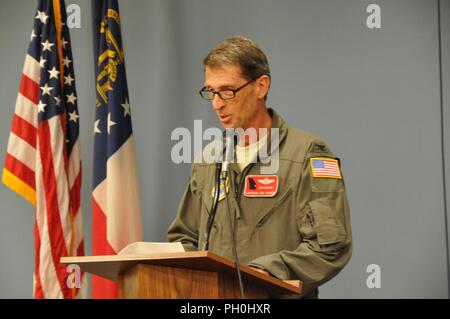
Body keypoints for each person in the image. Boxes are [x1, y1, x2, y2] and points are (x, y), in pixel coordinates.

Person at [167, 35, 352, 298]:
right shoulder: (208, 160)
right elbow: (184, 237)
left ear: (261, 86)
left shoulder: (308, 155)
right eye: (211, 92)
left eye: (228, 91)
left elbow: (330, 246)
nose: (217, 104)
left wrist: (267, 272)